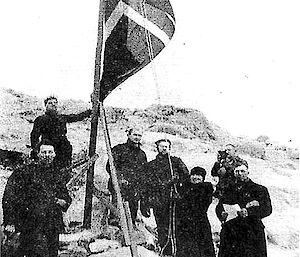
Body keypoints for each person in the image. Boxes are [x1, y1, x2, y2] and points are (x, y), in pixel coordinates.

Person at [2, 140, 72, 257]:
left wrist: (63, 202)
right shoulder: (24, 172)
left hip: (52, 225)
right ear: (38, 154)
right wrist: (10, 221)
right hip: (30, 224)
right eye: (44, 152)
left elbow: (65, 197)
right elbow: (9, 197)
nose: (47, 155)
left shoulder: (56, 174)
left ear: (54, 154)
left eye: (50, 152)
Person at [140, 139, 189, 256]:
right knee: (162, 225)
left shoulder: (176, 162)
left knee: (176, 225)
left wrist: (178, 182)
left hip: (174, 200)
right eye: (161, 146)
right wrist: (145, 203)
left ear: (170, 148)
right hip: (159, 200)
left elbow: (186, 177)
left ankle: (177, 250)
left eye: (166, 146)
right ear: (157, 148)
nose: (164, 148)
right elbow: (146, 185)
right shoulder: (152, 165)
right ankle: (165, 249)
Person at [216, 163, 272, 257]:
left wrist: (249, 212)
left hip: (251, 231)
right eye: (237, 171)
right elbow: (219, 206)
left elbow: (267, 209)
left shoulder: (259, 189)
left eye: (242, 171)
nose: (239, 173)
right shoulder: (228, 189)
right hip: (231, 231)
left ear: (248, 172)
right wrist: (222, 214)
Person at [30, 96, 92, 168]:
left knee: (64, 167)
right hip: (49, 147)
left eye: (55, 103)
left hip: (63, 147)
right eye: (50, 103)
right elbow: (34, 136)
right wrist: (36, 150)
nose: (53, 104)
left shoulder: (62, 118)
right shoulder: (40, 119)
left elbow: (76, 117)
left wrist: (89, 112)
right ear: (45, 105)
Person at [106, 127, 147, 225]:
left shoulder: (142, 154)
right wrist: (120, 179)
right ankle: (114, 227)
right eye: (135, 135)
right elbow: (110, 166)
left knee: (133, 209)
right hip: (119, 185)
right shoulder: (119, 149)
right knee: (117, 209)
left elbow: (144, 171)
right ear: (128, 135)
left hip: (134, 187)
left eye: (139, 135)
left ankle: (131, 226)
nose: (137, 137)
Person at [176, 166, 215, 257]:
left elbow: (203, 204)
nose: (196, 177)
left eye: (199, 176)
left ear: (203, 178)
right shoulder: (185, 187)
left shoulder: (206, 189)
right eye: (193, 175)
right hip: (185, 224)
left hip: (200, 222)